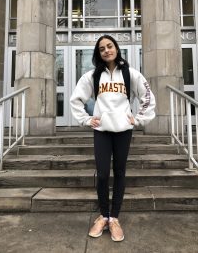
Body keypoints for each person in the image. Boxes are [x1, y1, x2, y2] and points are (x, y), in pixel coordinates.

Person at [70, 35, 156, 242]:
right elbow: (76, 99)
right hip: (102, 131)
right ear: (98, 53)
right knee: (101, 174)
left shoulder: (131, 74)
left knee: (119, 173)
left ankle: (114, 218)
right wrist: (86, 120)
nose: (107, 50)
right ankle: (103, 216)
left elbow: (148, 98)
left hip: (123, 131)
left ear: (116, 49)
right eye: (102, 49)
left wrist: (138, 120)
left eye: (110, 46)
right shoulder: (93, 76)